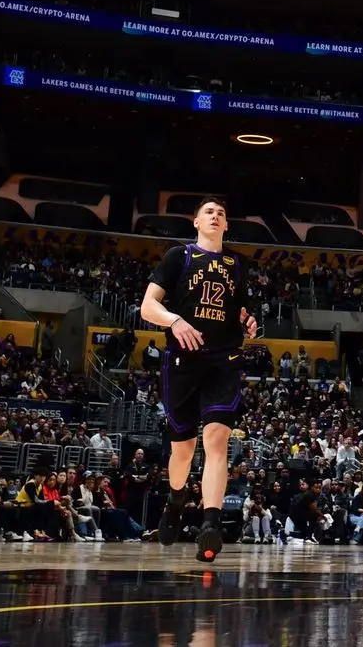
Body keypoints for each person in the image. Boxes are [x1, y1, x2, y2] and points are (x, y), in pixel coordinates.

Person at [140, 196, 259, 563]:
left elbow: (239, 311)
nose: (216, 216)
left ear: (227, 226)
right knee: (183, 449)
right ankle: (175, 501)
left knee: (217, 438)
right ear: (196, 221)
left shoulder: (238, 264)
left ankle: (211, 523)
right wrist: (175, 320)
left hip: (224, 359)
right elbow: (148, 306)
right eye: (209, 211)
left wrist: (248, 324)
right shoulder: (179, 256)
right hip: (183, 360)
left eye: (221, 213)